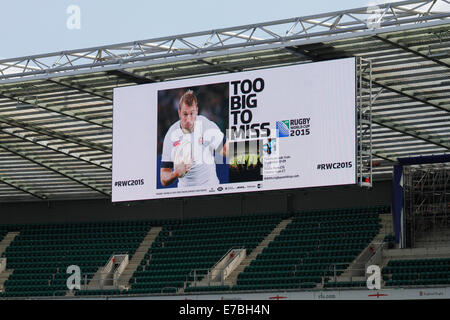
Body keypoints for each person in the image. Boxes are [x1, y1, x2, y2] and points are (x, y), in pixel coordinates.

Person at [160, 90, 228, 187]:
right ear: (179, 113)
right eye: (185, 114)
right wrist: (175, 174)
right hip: (185, 195)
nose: (188, 119)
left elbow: (227, 149)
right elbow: (163, 179)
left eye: (192, 114)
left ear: (197, 111)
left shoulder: (206, 125)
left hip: (210, 189)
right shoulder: (171, 135)